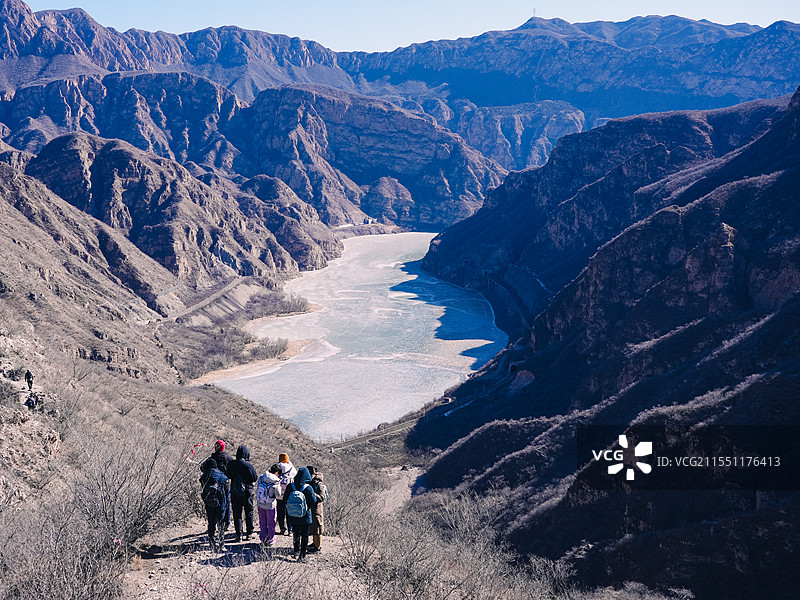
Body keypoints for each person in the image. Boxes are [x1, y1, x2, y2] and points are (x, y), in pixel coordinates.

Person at [284, 467, 317, 562]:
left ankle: (296, 551)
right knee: (305, 535)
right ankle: (302, 557)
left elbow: (285, 499)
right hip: (305, 516)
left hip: (292, 515)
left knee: (296, 533)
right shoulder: (308, 488)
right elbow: (313, 501)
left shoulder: (291, 486)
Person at [228, 445, 258, 542]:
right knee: (249, 512)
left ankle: (238, 535)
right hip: (247, 492)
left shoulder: (231, 464)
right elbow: (254, 478)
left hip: (235, 491)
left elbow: (228, 475)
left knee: (237, 514)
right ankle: (249, 533)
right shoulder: (249, 466)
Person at [199, 458, 229, 553]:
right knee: (220, 523)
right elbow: (227, 487)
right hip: (220, 503)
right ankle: (221, 544)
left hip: (209, 503)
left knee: (211, 523)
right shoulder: (221, 475)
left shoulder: (204, 476)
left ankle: (212, 544)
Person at [255, 464, 281, 547]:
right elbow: (278, 494)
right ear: (276, 472)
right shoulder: (276, 481)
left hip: (260, 503)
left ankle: (263, 539)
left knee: (262, 522)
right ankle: (270, 540)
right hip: (270, 505)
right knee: (271, 523)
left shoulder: (262, 477)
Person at [210, 440, 233, 533]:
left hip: (215, 484)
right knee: (226, 502)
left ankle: (216, 523)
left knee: (216, 503)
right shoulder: (229, 458)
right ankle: (226, 523)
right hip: (226, 483)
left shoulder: (213, 458)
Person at [306, 466, 328, 553]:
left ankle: (317, 547)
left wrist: (312, 494)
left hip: (317, 509)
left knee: (318, 527)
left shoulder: (319, 484)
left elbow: (322, 497)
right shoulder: (311, 482)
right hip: (311, 508)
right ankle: (314, 543)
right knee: (313, 527)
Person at [276, 452, 297, 535]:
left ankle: (282, 528)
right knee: (289, 512)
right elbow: (295, 476)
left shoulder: (277, 467)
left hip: (279, 494)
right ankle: (290, 530)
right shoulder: (291, 468)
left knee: (280, 512)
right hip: (289, 494)